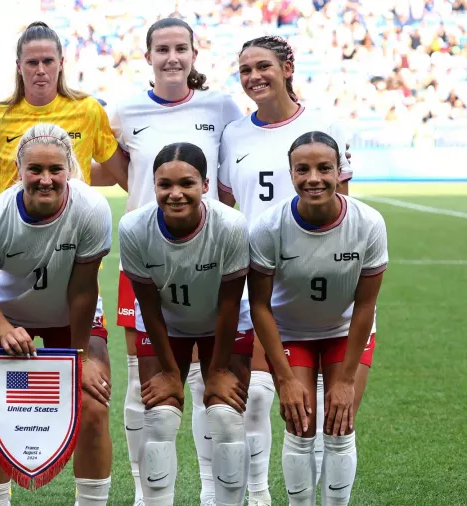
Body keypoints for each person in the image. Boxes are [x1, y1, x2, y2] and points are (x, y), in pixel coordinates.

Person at [106, 17, 244, 505]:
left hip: (207, 252)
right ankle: (148, 493)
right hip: (146, 255)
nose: (171, 57)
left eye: (180, 48)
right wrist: (146, 194)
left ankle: (214, 489)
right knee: (145, 387)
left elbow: (227, 173)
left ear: (193, 54)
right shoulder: (124, 109)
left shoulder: (221, 106)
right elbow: (113, 166)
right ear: (147, 56)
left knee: (216, 389)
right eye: (161, 49)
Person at [217, 35, 353, 505]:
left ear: (288, 67)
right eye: (245, 69)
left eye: (263, 66)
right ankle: (258, 497)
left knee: (315, 413)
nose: (254, 77)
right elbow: (229, 208)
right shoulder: (234, 134)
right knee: (256, 400)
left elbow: (344, 210)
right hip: (258, 289)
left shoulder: (323, 125)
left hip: (317, 289)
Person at [0, 123, 113, 506]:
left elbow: (83, 290)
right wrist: (3, 328)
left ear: (69, 169)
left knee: (94, 407)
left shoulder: (92, 209)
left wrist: (80, 359)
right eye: (35, 170)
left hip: (71, 317)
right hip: (6, 314)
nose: (45, 180)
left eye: (55, 170)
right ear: (19, 171)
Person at [247, 131, 386, 506]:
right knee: (300, 425)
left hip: (345, 330)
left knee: (340, 426)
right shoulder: (267, 227)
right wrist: (286, 377)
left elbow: (365, 305)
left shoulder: (368, 223)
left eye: (324, 168)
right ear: (290, 173)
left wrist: (345, 380)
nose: (314, 178)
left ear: (340, 171)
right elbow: (259, 305)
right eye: (302, 169)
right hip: (291, 332)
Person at [119, 142, 252, 506]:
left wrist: (221, 369)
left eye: (187, 184)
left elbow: (229, 304)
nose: (175, 194)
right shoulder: (134, 227)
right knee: (160, 416)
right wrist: (167, 371)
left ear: (205, 185)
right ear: (155, 185)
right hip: (166, 326)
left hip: (222, 326)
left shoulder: (230, 225)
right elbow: (148, 306)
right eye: (165, 185)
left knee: (225, 415)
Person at [0, 20, 129, 202]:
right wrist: (5, 203)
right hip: (16, 230)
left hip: (74, 228)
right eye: (32, 63)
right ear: (19, 66)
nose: (41, 70)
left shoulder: (88, 111)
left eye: (48, 61)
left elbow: (119, 175)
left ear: (60, 63)